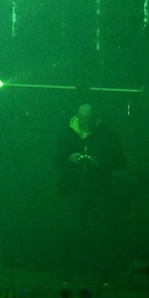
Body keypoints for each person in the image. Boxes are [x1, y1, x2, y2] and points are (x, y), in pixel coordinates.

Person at [54, 102, 126, 275]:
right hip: (74, 190)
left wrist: (100, 162)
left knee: (101, 231)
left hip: (99, 191)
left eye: (89, 119)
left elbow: (120, 161)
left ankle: (102, 271)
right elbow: (56, 159)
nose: (86, 122)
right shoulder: (68, 134)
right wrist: (69, 158)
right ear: (78, 117)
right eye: (83, 119)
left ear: (96, 117)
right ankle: (72, 270)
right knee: (72, 230)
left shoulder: (107, 135)